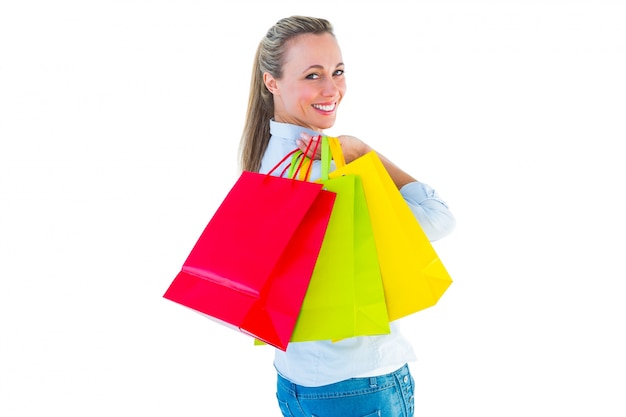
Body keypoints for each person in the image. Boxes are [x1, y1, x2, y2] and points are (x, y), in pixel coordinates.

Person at [239, 15, 456, 417]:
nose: (331, 89)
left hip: (295, 382)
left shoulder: (264, 163)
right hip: (360, 385)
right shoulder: (329, 170)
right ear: (272, 81)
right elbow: (438, 217)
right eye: (312, 75)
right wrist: (362, 152)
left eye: (337, 72)